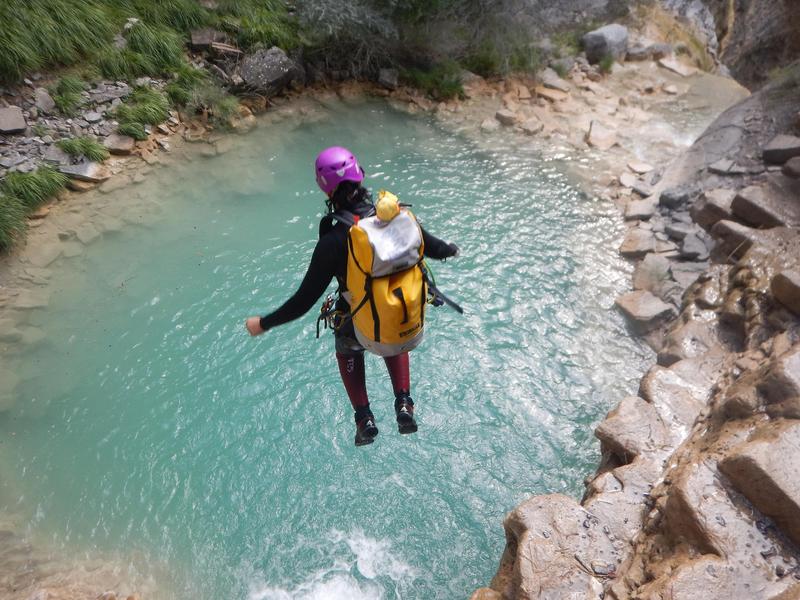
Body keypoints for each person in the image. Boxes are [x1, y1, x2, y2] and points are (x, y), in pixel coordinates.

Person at [245, 146, 459, 446]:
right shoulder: (398, 218)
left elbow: (302, 302)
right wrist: (452, 249)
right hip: (407, 326)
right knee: (390, 317)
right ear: (360, 175)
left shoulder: (333, 241)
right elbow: (437, 249)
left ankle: (364, 419)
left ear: (325, 189)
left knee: (347, 343)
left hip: (361, 330)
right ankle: (404, 403)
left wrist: (264, 323)